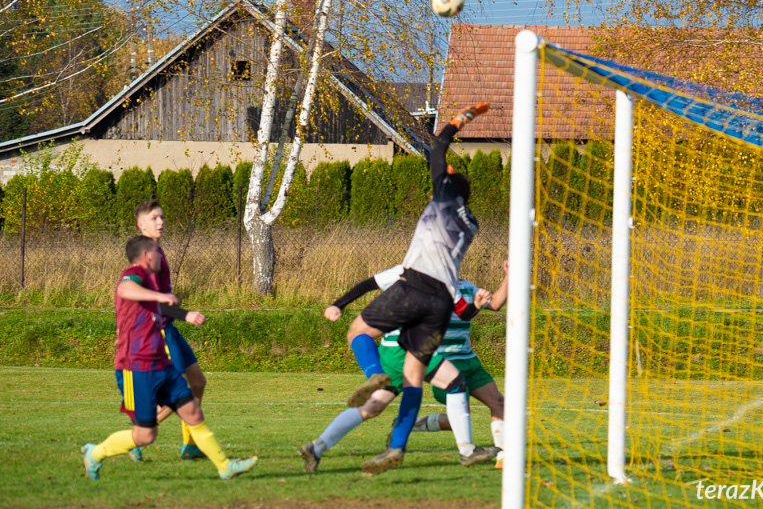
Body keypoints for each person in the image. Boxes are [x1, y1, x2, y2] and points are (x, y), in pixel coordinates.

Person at [339, 100, 489, 476]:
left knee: (359, 331)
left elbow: (437, 148)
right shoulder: (470, 221)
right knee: (413, 377)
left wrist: (461, 120)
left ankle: (373, 372)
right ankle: (398, 448)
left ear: (445, 186)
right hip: (441, 303)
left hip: (414, 288)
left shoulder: (442, 200)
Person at [81, 235, 257, 480]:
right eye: (157, 252)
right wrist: (160, 298)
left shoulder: (154, 279)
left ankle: (225, 467)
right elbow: (124, 288)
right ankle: (95, 453)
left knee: (193, 412)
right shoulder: (134, 275)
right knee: (145, 435)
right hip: (137, 367)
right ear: (146, 256)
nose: (161, 255)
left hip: (160, 363)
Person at [299, 264, 500, 473]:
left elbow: (463, 313)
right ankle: (466, 450)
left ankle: (316, 447)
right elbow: (369, 285)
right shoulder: (424, 272)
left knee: (371, 407)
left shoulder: (434, 275)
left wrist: (338, 305)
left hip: (392, 349)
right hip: (410, 346)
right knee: (455, 383)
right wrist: (338, 305)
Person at [127, 199, 209, 462]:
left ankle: (190, 445)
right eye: (154, 218)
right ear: (141, 224)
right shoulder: (147, 256)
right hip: (159, 331)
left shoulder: (156, 251)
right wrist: (187, 314)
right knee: (179, 393)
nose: (160, 222)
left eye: (162, 217)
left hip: (169, 329)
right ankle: (136, 440)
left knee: (197, 382)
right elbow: (154, 302)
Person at [411, 261, 508, 469]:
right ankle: (413, 424)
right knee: (462, 419)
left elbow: (496, 304)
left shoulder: (466, 287)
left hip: (469, 360)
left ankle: (504, 457)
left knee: (500, 403)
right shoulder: (425, 290)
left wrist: (509, 276)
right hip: (443, 366)